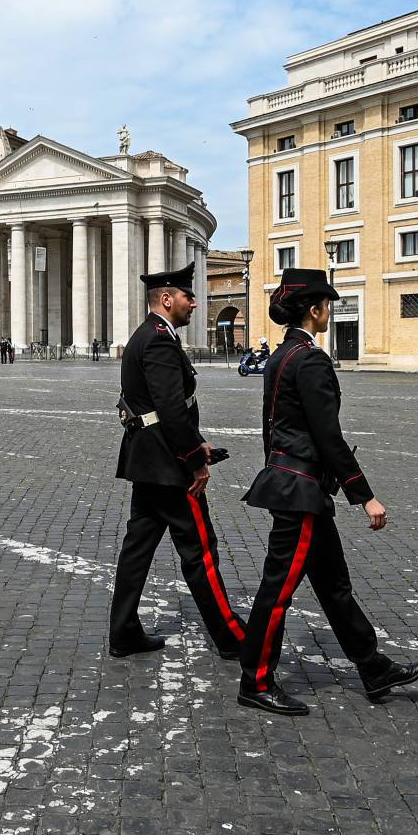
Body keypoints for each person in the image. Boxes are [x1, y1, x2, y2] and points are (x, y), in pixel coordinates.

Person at [235, 268, 418, 717]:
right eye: (328, 303)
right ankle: (256, 680)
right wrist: (365, 496)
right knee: (277, 591)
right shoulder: (312, 360)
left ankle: (371, 666)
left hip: (293, 484)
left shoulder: (282, 356)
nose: (330, 310)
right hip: (301, 491)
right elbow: (329, 437)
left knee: (334, 586)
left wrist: (276, 470)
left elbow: (272, 425)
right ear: (315, 309)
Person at [107, 265, 249, 663]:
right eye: (188, 296)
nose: (194, 303)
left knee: (137, 550)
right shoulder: (158, 342)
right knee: (200, 551)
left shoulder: (147, 337)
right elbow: (170, 409)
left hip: (147, 461)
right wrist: (192, 460)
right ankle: (231, 636)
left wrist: (199, 443)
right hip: (169, 468)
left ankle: (124, 632)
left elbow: (161, 408)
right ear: (167, 299)